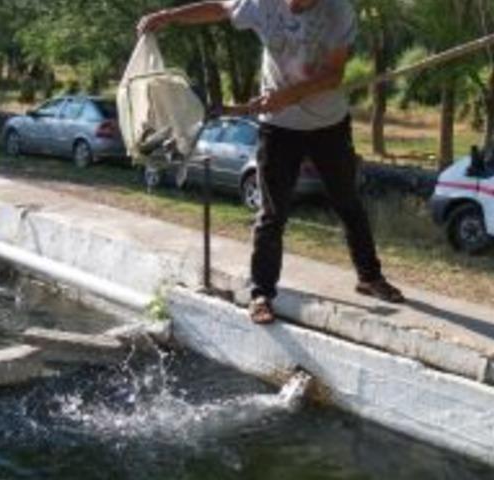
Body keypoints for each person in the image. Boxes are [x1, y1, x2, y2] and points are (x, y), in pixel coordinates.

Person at [138, 0, 404, 325]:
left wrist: (288, 96)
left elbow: (333, 75)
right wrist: (168, 17)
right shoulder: (262, 3)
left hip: (329, 124)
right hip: (278, 128)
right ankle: (261, 293)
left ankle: (369, 277)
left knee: (347, 201)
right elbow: (220, 8)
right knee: (272, 213)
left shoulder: (338, 11)